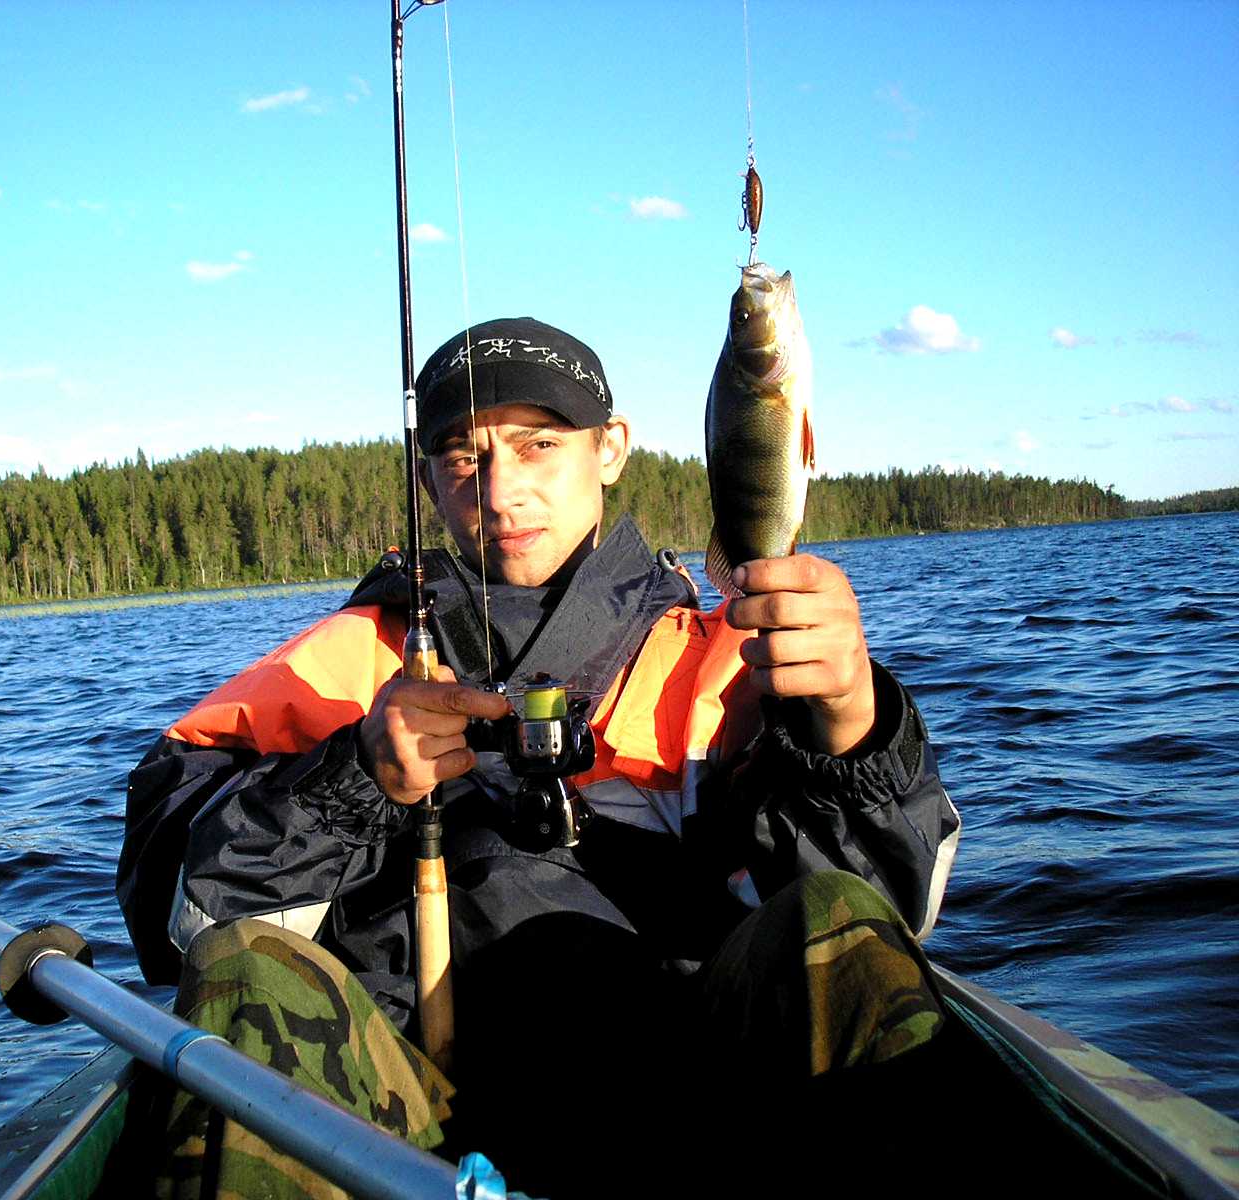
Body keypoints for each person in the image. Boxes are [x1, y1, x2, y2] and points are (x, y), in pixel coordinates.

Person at [116, 317, 961, 1198]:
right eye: (460, 453)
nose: (501, 490)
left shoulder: (734, 662)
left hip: (694, 1094)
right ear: (426, 479)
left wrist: (853, 722)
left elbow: (896, 902)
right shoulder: (343, 664)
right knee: (242, 978)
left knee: (837, 918)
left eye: (538, 445)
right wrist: (350, 781)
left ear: (612, 449)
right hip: (404, 1125)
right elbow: (175, 913)